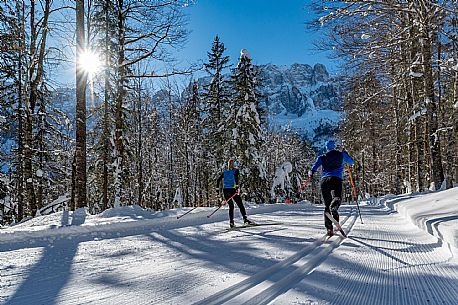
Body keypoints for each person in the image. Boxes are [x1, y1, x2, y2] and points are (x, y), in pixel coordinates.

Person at [309, 140, 354, 236]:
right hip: (336, 179)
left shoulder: (322, 157)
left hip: (324, 181)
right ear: (334, 147)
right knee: (337, 198)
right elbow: (351, 162)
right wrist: (346, 154)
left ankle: (329, 229)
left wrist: (311, 173)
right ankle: (335, 206)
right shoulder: (341, 154)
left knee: (327, 205)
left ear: (326, 148)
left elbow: (314, 168)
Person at [217, 159, 254, 228]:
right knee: (240, 205)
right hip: (232, 190)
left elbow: (218, 180)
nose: (236, 164)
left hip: (225, 191)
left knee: (231, 206)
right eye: (235, 163)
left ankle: (231, 223)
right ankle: (245, 219)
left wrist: (217, 190)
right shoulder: (236, 171)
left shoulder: (225, 172)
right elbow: (236, 179)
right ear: (233, 164)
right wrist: (237, 188)